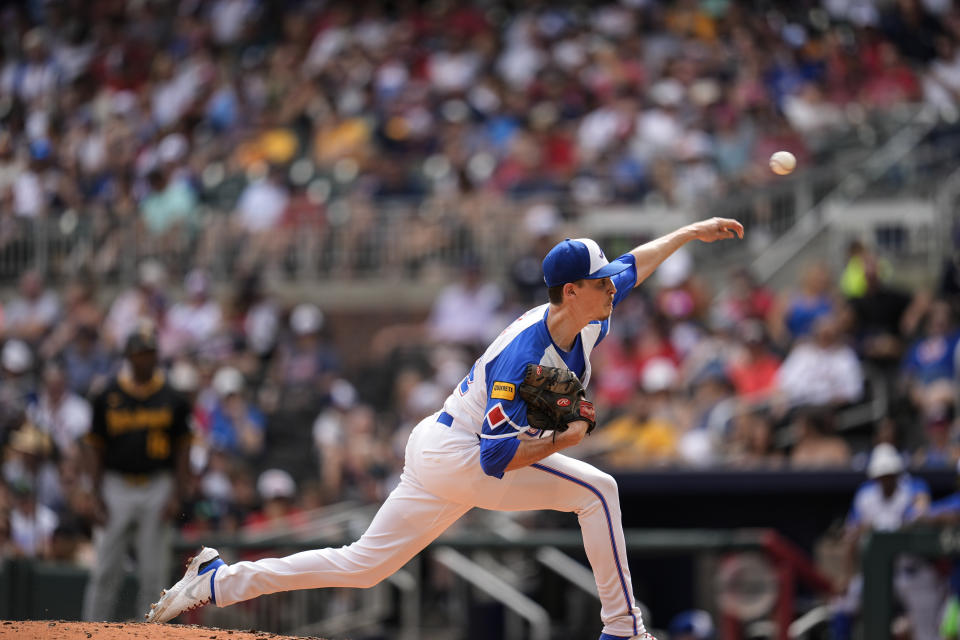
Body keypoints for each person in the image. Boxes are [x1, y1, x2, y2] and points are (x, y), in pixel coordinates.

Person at [146, 217, 745, 640]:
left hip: (438, 442)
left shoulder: (584, 309)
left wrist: (691, 232)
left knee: (362, 565)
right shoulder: (526, 356)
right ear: (571, 291)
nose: (612, 285)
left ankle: (220, 581)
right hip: (463, 452)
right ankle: (624, 629)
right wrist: (566, 438)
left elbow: (634, 263)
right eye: (599, 281)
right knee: (598, 491)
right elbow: (494, 461)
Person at [82, 321, 192, 622]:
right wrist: (95, 493)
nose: (145, 358)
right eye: (139, 353)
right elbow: (94, 446)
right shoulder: (107, 395)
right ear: (128, 357)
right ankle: (91, 630)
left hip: (158, 485)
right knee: (105, 570)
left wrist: (177, 493)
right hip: (116, 485)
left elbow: (184, 447)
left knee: (153, 575)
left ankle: (150, 633)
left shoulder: (173, 396)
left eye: (150, 352)